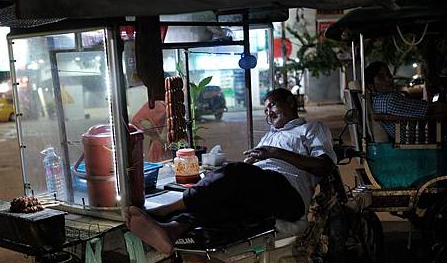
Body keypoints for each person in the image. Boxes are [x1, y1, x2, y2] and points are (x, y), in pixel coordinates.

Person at [125, 88, 337, 254]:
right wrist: (251, 163)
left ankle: (165, 211)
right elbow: (254, 169)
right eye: (265, 110)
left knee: (234, 171)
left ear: (290, 102)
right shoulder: (270, 135)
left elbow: (325, 165)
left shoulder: (311, 129)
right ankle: (172, 230)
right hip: (263, 189)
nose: (269, 113)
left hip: (289, 193)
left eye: (272, 105)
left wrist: (274, 153)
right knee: (220, 198)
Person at [365, 61, 447, 145]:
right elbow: (431, 110)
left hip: (427, 129)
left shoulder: (378, 100)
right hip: (437, 134)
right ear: (371, 86)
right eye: (381, 77)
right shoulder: (389, 100)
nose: (388, 79)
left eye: (388, 74)